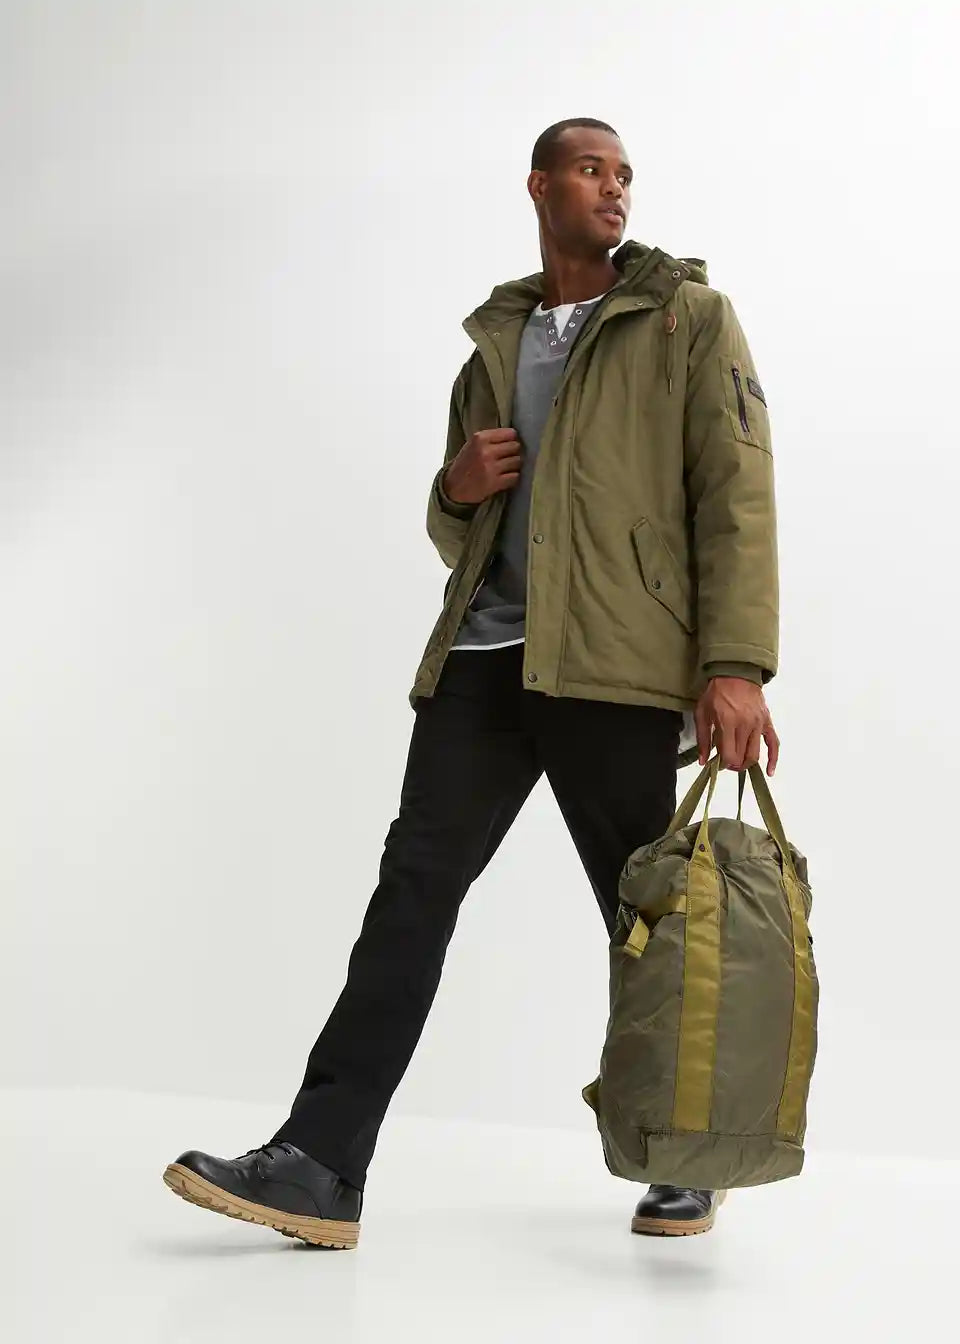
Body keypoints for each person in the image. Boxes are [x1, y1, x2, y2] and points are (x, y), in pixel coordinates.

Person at [163, 117, 780, 1249]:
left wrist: (734, 666)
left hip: (615, 666)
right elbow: (469, 537)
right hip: (485, 660)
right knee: (411, 893)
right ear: (540, 186)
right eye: (591, 170)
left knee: (649, 925)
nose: (615, 189)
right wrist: (454, 490)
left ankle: (685, 1158)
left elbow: (734, 494)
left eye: (625, 175)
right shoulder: (494, 346)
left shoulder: (686, 318)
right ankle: (319, 1165)